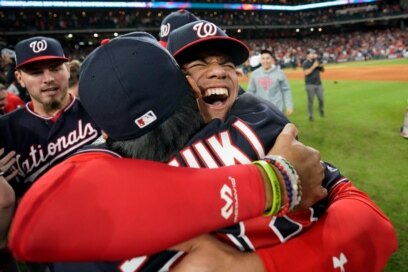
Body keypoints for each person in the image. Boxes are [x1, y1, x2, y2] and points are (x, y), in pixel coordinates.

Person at [10, 32, 396, 271]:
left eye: (225, 64)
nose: (217, 73)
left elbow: (32, 229)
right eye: (198, 65)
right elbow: (374, 225)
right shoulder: (260, 124)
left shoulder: (103, 202)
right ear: (186, 88)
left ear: (103, 129)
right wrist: (278, 179)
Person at [0, 36, 102, 271]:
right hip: (48, 253)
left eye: (55, 68)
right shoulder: (5, 131)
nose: (48, 79)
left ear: (68, 69)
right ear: (20, 79)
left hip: (106, 237)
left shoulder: (98, 109)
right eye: (35, 72)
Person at [247, 49, 294, 116]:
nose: (265, 61)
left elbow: (286, 90)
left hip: (277, 109)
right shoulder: (255, 74)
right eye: (263, 58)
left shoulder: (280, 73)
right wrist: (249, 107)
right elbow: (250, 91)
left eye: (268, 58)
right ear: (260, 60)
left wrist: (289, 106)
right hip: (261, 109)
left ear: (271, 59)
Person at [303, 48, 325, 121]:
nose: (313, 55)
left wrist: (320, 65)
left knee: (321, 99)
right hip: (310, 84)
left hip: (318, 84)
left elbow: (323, 70)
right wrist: (314, 66)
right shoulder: (305, 63)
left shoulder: (316, 61)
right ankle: (310, 115)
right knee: (310, 101)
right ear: (307, 55)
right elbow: (306, 73)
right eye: (311, 53)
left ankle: (321, 110)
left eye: (314, 53)